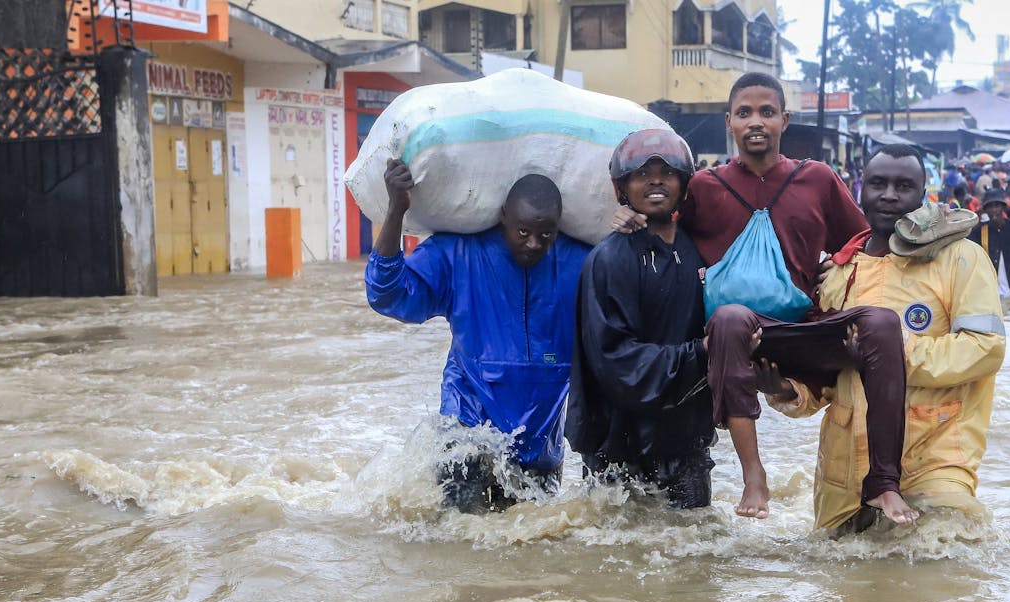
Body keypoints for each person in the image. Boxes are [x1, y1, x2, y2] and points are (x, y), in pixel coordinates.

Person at [611, 72, 916, 525]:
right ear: (729, 121)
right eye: (745, 113)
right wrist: (628, 217)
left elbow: (864, 242)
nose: (757, 122)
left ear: (784, 121)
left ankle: (883, 482)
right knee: (732, 316)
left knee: (883, 323)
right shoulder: (704, 186)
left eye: (767, 112)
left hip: (803, 332)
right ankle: (754, 474)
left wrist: (838, 263)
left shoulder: (817, 179)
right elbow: (664, 225)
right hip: (736, 340)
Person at [759, 145, 1006, 533]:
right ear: (861, 190)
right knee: (844, 586)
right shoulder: (839, 271)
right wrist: (790, 390)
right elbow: (829, 375)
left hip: (934, 460)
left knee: (941, 562)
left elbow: (985, 349)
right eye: (878, 184)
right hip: (843, 476)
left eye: (903, 185)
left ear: (923, 194)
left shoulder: (961, 257)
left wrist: (891, 353)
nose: (889, 195)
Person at [365, 160, 590, 513]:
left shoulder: (582, 265)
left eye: (545, 235)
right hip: (466, 438)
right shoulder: (459, 254)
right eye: (522, 232)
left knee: (534, 552)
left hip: (540, 449)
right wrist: (396, 209)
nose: (533, 244)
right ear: (503, 216)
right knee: (461, 547)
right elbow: (387, 294)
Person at [567, 129, 716, 508]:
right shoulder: (609, 260)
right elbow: (615, 360)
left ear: (684, 184)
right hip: (618, 445)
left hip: (685, 444)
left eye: (666, 173)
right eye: (642, 174)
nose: (654, 181)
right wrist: (701, 353)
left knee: (695, 553)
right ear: (622, 188)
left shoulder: (698, 250)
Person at [968, 189, 1010, 296]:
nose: (994, 210)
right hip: (990, 291)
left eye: (997, 206)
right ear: (985, 210)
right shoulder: (979, 231)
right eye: (990, 207)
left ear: (1003, 208)